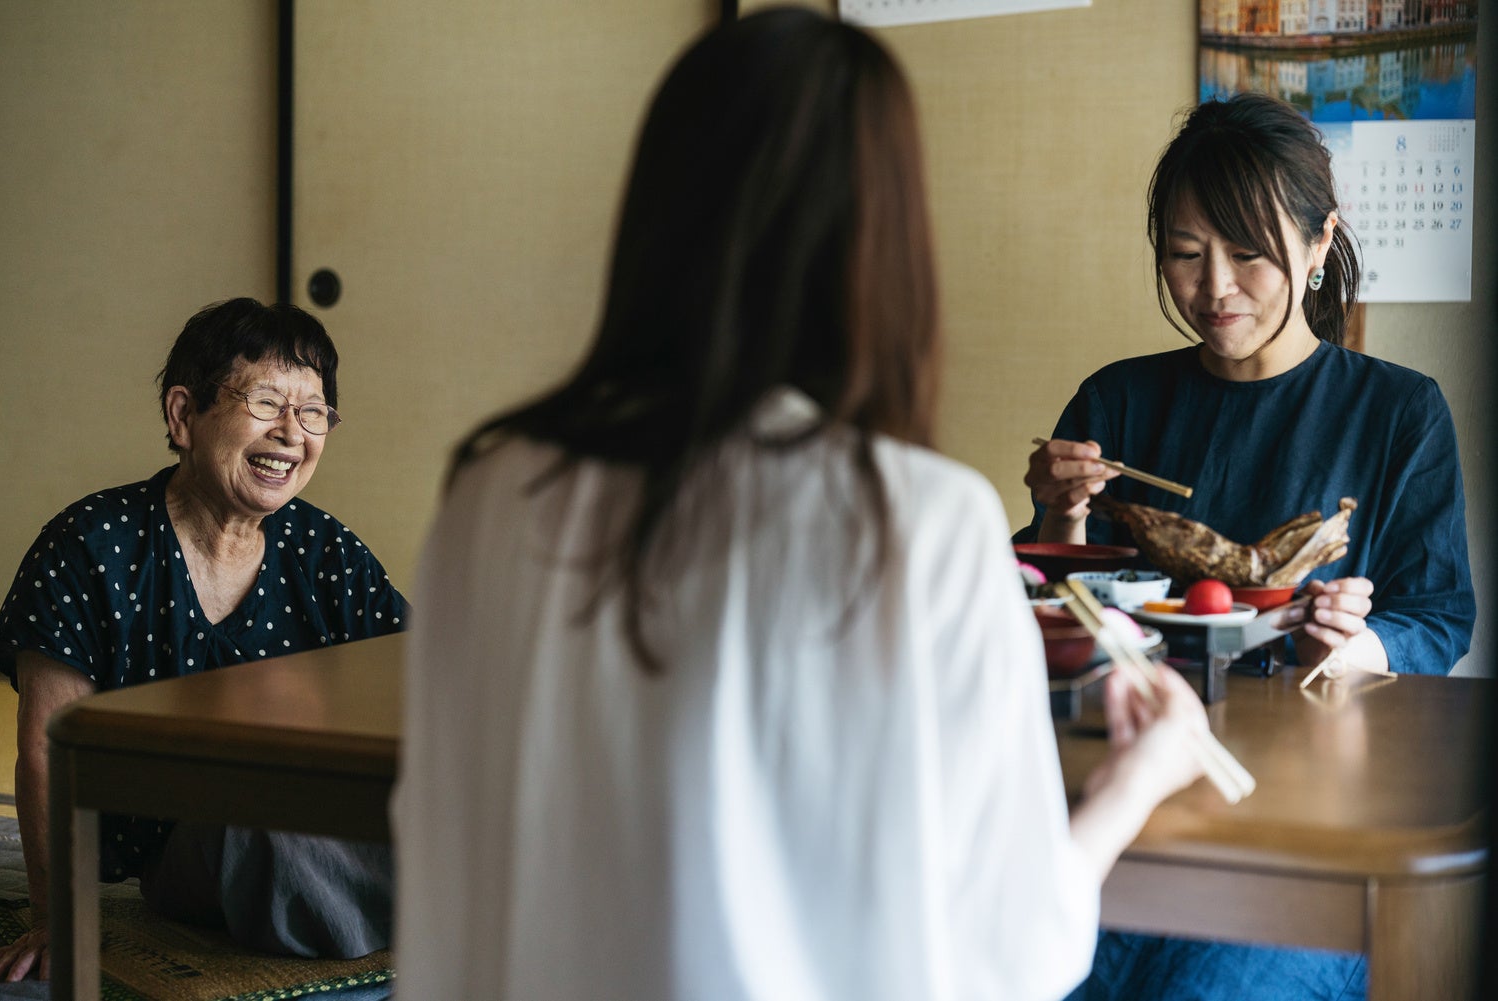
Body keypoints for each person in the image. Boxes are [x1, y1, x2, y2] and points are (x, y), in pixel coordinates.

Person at [393, 8, 1211, 1000]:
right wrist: (1145, 770)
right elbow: (1011, 948)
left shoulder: (490, 491)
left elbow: (441, 872)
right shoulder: (920, 518)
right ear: (886, 238)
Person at [1022, 94, 1475, 999]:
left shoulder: (1398, 411)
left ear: (1317, 245)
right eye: (1187, 255)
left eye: (1249, 254)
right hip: (1119, 798)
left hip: (1309, 822)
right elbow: (1050, 608)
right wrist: (1060, 517)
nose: (1215, 288)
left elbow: (1439, 614)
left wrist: (1354, 647)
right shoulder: (1117, 402)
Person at [0, 298, 407, 983]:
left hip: (330, 821)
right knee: (273, 833)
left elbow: (420, 676)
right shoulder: (91, 545)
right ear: (184, 416)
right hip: (204, 840)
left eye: (313, 412)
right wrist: (56, 918)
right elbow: (47, 751)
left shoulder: (326, 549)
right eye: (267, 401)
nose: (291, 432)